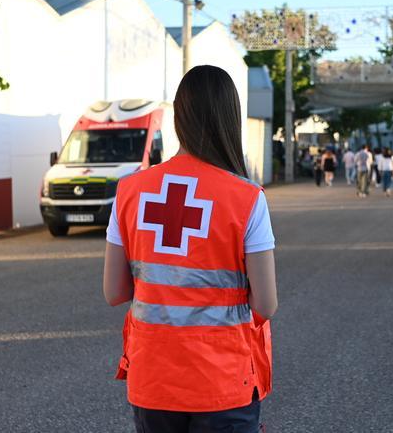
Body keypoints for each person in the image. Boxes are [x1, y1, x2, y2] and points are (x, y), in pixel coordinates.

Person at [103, 65, 278, 433]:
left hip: (152, 378)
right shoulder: (246, 198)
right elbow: (266, 303)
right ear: (231, 119)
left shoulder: (130, 192)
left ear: (179, 116)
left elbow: (114, 292)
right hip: (223, 382)